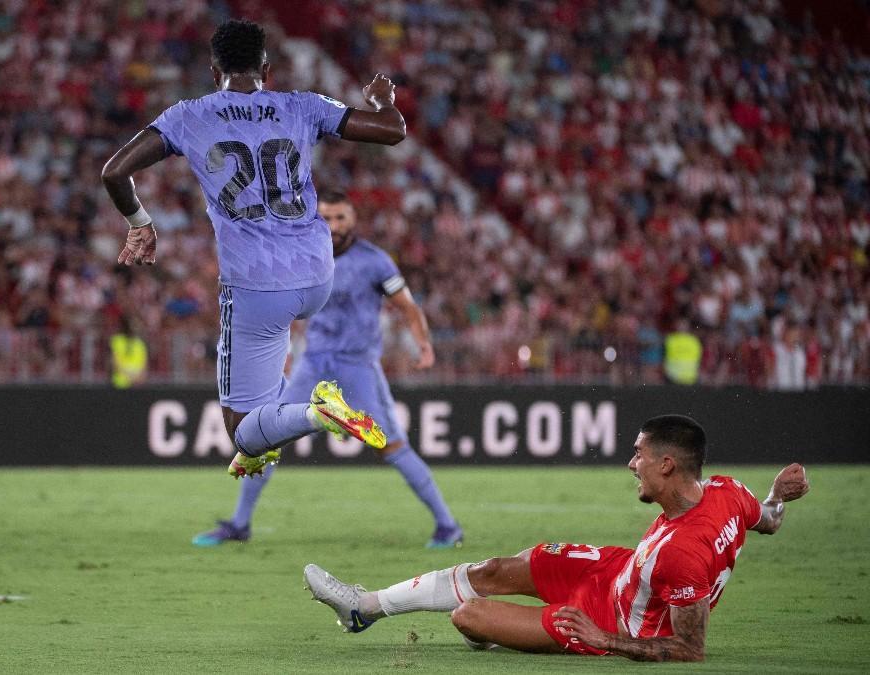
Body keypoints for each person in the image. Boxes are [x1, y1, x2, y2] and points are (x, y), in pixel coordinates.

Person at [101, 19, 408, 479]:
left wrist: (140, 223)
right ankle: (268, 439)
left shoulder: (188, 115)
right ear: (266, 69)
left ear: (212, 70)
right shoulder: (303, 105)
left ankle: (315, 414)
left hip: (256, 285)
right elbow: (391, 130)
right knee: (264, 408)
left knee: (240, 427)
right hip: (318, 274)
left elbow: (114, 172)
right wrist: (383, 101)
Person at [305, 415, 809, 661]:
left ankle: (493, 628)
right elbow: (768, 518)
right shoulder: (729, 491)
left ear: (667, 464)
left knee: (468, 616)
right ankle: (363, 606)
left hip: (606, 619)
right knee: (496, 570)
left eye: (639, 455)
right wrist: (780, 494)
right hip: (619, 571)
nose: (632, 464)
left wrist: (603, 639)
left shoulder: (682, 555)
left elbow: (690, 648)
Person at [193, 191, 462, 548]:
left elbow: (408, 307)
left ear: (353, 220)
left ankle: (447, 526)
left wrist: (423, 343)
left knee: (390, 446)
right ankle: (240, 524)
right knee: (263, 439)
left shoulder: (375, 261)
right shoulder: (304, 256)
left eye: (341, 218)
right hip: (314, 363)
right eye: (328, 218)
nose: (334, 226)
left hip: (357, 367)